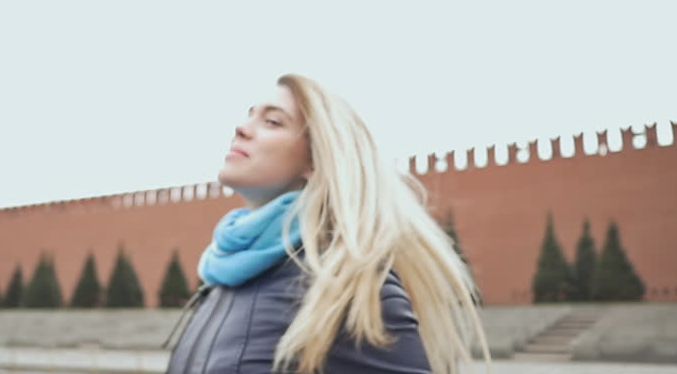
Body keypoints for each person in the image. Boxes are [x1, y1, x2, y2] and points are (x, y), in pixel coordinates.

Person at [165, 74, 491, 374]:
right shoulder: (222, 279)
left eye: (273, 121)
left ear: (315, 159)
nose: (242, 127)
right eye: (250, 114)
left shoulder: (350, 288)